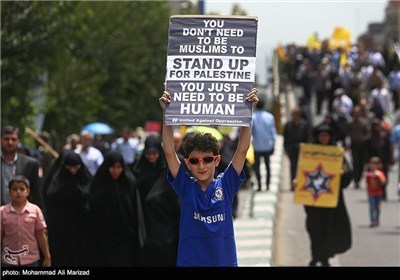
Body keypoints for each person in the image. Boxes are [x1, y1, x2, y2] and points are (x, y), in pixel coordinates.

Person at [159, 88, 258, 267]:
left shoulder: (226, 184)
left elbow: (242, 148)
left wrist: (248, 110)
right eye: (195, 161)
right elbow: (168, 150)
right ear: (187, 163)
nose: (201, 166)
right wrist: (166, 112)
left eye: (207, 159)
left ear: (217, 160)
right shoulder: (185, 187)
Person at [304, 124, 352, 267]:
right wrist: (297, 181)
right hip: (314, 200)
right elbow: (303, 171)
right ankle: (315, 255)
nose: (324, 138)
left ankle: (324, 257)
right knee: (314, 228)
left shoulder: (336, 153)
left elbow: (349, 172)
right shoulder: (310, 152)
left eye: (326, 135)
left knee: (328, 228)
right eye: (321, 135)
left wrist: (343, 174)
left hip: (331, 201)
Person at [85, 151, 144, 266]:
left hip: (124, 237)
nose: (115, 171)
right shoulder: (98, 184)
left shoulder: (129, 183)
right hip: (103, 238)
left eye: (119, 167)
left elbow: (135, 209)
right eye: (112, 167)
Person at [132, 134, 180, 266]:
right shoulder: (138, 172)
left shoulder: (167, 170)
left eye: (154, 152)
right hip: (146, 221)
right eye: (148, 153)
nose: (151, 156)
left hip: (166, 219)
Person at [42, 150, 92, 266]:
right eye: (70, 167)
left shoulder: (85, 178)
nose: (73, 171)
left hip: (80, 226)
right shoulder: (55, 182)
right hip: (59, 228)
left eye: (76, 167)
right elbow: (49, 198)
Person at [1, 175, 51, 267]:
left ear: (28, 191)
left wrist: (47, 256)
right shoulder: (2, 212)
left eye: (22, 189)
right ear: (9, 192)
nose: (18, 192)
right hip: (9, 260)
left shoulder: (35, 210)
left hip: (31, 259)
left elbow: (41, 235)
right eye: (14, 189)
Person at [1, 126, 44, 210]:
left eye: (13, 139)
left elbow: (36, 194)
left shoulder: (30, 165)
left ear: (18, 141)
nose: (10, 142)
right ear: (0, 140)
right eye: (6, 139)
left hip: (21, 216)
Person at [251, 99, 277, 191]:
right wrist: (274, 145)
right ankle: (268, 185)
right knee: (267, 166)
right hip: (267, 146)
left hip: (257, 146)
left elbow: (251, 133)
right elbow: (273, 133)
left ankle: (259, 185)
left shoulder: (252, 117)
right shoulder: (270, 117)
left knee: (257, 167)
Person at [365, 157, 386, 227]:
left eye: (376, 164)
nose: (374, 166)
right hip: (371, 193)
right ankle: (372, 220)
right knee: (372, 207)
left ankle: (377, 219)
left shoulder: (380, 173)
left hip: (378, 193)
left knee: (377, 207)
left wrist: (379, 177)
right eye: (372, 164)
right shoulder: (368, 174)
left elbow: (383, 182)